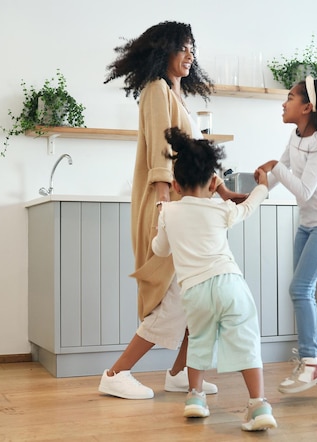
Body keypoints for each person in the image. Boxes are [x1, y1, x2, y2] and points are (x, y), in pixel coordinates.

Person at [98, 21, 246, 400]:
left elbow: (195, 157)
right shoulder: (155, 91)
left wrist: (224, 191)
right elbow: (161, 151)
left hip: (187, 207)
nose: (189, 54)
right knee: (173, 297)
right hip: (168, 206)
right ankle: (116, 373)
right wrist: (164, 204)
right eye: (182, 47)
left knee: (196, 294)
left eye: (192, 48)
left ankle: (180, 372)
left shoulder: (178, 98)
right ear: (164, 51)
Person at [151, 127, 277, 432]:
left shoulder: (168, 211)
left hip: (194, 291)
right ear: (212, 183)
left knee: (199, 340)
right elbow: (247, 207)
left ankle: (195, 397)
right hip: (230, 285)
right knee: (246, 342)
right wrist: (262, 187)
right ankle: (258, 403)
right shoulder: (220, 209)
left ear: (176, 185)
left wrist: (160, 213)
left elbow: (159, 249)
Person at [255, 75, 317, 394]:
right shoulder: (297, 136)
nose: (284, 103)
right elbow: (276, 177)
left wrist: (272, 167)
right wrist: (242, 195)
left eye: (291, 98)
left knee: (300, 288)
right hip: (309, 223)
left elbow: (304, 190)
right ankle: (316, 361)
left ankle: (309, 362)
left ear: (308, 107)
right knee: (302, 290)